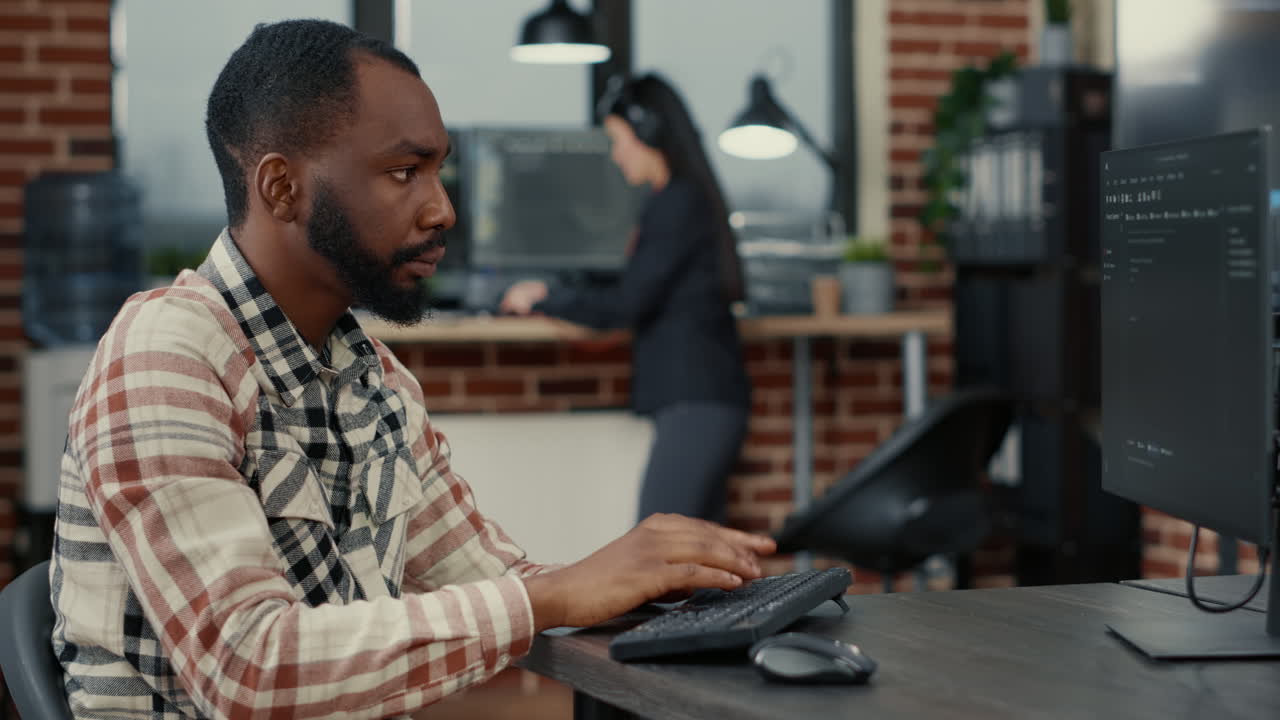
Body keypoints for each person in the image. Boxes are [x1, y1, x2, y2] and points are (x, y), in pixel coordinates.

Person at [49, 20, 775, 719]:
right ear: (281, 188)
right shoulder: (165, 357)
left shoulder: (378, 383)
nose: (444, 210)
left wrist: (653, 586)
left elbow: (496, 583)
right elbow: (248, 668)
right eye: (405, 172)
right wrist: (555, 598)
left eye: (439, 170)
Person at [500, 73, 752, 525]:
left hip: (698, 399)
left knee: (660, 546)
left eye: (619, 140)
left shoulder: (678, 204)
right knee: (697, 556)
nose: (616, 155)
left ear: (649, 134)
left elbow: (626, 305)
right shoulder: (678, 200)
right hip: (700, 399)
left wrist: (545, 299)